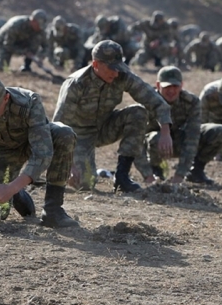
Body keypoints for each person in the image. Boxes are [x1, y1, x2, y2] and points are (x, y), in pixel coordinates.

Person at [0, 76, 79, 228]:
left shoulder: (29, 102)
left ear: (6, 98)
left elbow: (42, 152)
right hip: (1, 150)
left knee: (64, 133)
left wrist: (11, 187)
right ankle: (17, 193)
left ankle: (53, 210)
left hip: (33, 142)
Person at [53, 40, 173, 192]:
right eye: (111, 68)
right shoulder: (76, 84)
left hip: (105, 127)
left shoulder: (122, 75)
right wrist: (68, 164)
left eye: (118, 67)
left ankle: (122, 177)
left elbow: (154, 100)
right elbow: (59, 126)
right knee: (85, 183)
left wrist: (165, 131)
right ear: (96, 64)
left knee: (138, 112)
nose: (116, 73)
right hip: (78, 136)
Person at [135, 66, 222, 185]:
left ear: (181, 85)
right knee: (155, 138)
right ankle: (157, 170)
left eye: (175, 86)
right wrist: (147, 175)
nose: (171, 90)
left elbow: (192, 138)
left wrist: (180, 175)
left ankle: (196, 171)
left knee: (219, 131)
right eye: (167, 86)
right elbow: (135, 141)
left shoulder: (191, 102)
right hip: (154, 144)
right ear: (158, 86)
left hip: (179, 141)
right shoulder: (146, 102)